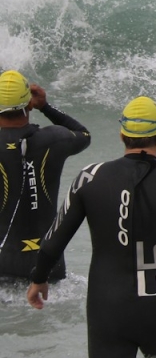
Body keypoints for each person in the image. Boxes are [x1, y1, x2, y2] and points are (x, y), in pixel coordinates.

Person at [26, 97, 156, 358]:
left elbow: (54, 241)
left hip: (108, 306)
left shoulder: (89, 177)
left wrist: (39, 279)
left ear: (122, 134)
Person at [0, 71, 91, 282]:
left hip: (4, 263)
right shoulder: (54, 139)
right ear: (28, 104)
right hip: (49, 265)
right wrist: (45, 106)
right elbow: (83, 134)